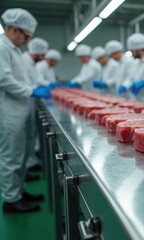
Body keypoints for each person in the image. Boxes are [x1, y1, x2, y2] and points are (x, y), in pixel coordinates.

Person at [0, 8, 51, 213]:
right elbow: (4, 80)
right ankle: (11, 199)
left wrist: (32, 89)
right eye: (27, 36)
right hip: (9, 112)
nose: (28, 41)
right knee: (11, 156)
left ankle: (19, 191)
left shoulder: (13, 49)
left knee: (21, 154)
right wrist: (31, 91)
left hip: (20, 109)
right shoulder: (2, 47)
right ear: (14, 30)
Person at [21, 37, 49, 175]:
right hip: (17, 107)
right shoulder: (23, 61)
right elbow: (21, 83)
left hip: (27, 103)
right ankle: (13, 195)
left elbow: (35, 80)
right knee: (18, 145)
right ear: (36, 51)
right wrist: (33, 90)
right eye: (42, 55)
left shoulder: (31, 62)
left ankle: (28, 167)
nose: (44, 58)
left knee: (29, 136)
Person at [120, 33, 144, 102]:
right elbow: (131, 77)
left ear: (137, 50)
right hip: (137, 98)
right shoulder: (136, 62)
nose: (131, 54)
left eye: (132, 51)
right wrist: (125, 86)